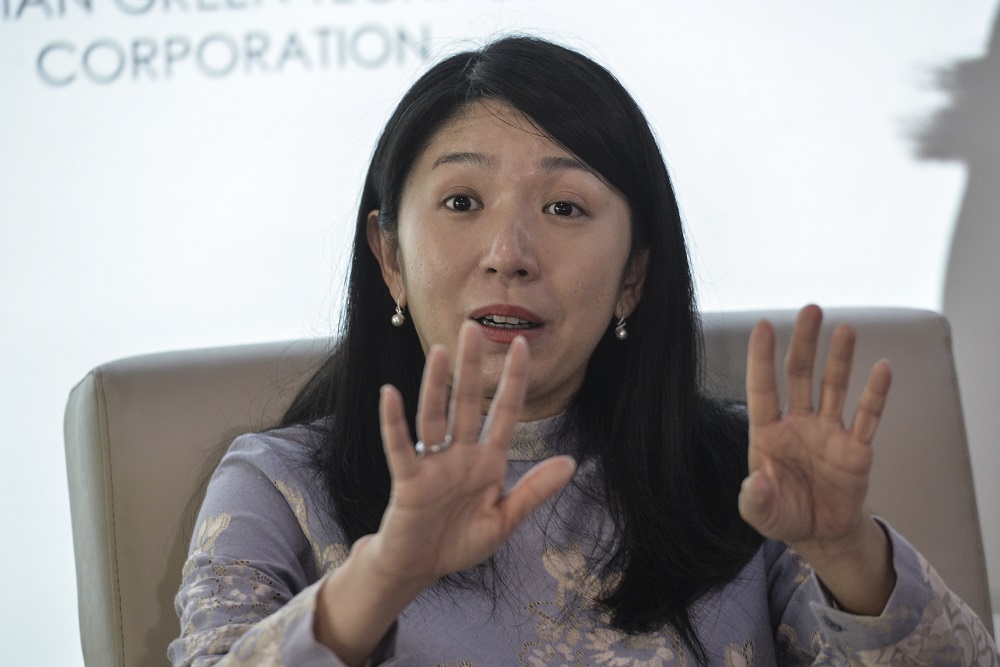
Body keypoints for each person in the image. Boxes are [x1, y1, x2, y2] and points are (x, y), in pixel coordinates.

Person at [169, 36, 999, 666]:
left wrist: (848, 551)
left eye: (566, 208)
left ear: (634, 274)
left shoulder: (749, 478)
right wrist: (384, 571)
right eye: (462, 199)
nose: (510, 251)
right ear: (389, 257)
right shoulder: (281, 485)